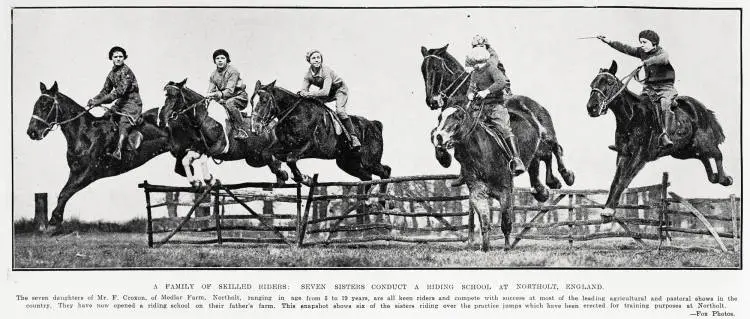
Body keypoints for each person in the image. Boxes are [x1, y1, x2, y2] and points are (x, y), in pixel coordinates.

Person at [456, 46, 524, 186]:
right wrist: (470, 93)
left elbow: (501, 82)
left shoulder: (492, 69)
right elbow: (472, 86)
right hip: (480, 107)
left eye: (477, 62)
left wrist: (487, 91)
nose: (476, 65)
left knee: (504, 130)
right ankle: (465, 170)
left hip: (495, 107)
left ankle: (516, 160)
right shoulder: (475, 73)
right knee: (467, 130)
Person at [597, 30, 676, 149]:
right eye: (641, 42)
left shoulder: (662, 53)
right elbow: (626, 48)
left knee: (664, 104)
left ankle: (665, 135)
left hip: (665, 88)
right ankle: (625, 139)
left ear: (654, 43)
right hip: (649, 89)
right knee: (637, 106)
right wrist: (608, 41)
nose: (642, 45)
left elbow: (661, 59)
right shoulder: (641, 51)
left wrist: (645, 62)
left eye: (645, 42)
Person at [87, 46, 142, 160]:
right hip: (121, 102)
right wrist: (93, 100)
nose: (118, 59)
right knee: (106, 118)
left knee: (123, 123)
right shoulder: (111, 74)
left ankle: (119, 151)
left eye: (120, 56)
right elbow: (105, 91)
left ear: (124, 58)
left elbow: (118, 92)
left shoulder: (127, 71)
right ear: (111, 58)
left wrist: (99, 102)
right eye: (115, 56)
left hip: (132, 102)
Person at [299, 49, 361, 151]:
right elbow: (304, 90)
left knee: (340, 111)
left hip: (339, 90)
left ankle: (353, 137)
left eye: (318, 58)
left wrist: (308, 94)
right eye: (314, 58)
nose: (317, 60)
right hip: (327, 91)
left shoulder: (326, 71)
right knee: (313, 106)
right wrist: (302, 93)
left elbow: (325, 92)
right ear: (309, 61)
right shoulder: (308, 75)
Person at [207, 49, 249, 140]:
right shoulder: (213, 75)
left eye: (222, 58)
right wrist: (208, 97)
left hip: (239, 97)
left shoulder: (233, 71)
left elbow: (229, 91)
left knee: (230, 103)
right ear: (214, 61)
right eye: (217, 58)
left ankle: (241, 129)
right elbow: (210, 91)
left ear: (227, 60)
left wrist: (217, 94)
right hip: (224, 99)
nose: (220, 60)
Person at [464, 34, 512, 99]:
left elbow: (491, 63)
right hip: (480, 81)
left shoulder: (492, 54)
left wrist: (475, 67)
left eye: (481, 46)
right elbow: (468, 63)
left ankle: (506, 93)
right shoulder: (473, 54)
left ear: (486, 46)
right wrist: (467, 68)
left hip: (497, 80)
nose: (479, 48)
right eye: (476, 46)